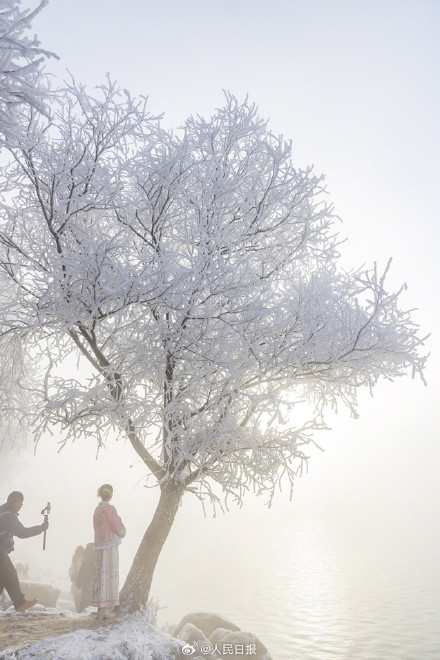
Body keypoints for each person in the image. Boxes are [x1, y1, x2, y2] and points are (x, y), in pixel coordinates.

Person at [0, 491, 48, 612]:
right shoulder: (9, 515)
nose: (22, 504)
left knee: (3, 579)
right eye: (21, 501)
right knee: (10, 573)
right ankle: (20, 603)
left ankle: (19, 603)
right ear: (15, 501)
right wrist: (41, 528)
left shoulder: (3, 510)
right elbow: (22, 532)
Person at [92, 484, 125, 620]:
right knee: (110, 572)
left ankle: (101, 607)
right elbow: (117, 526)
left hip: (99, 544)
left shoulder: (97, 510)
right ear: (110, 495)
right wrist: (122, 532)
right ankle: (106, 608)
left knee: (101, 574)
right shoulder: (109, 509)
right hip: (109, 545)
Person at [76, 542, 95, 612]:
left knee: (84, 599)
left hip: (86, 583)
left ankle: (82, 612)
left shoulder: (86, 559)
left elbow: (81, 572)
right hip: (91, 582)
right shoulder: (94, 559)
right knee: (88, 599)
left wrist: (78, 583)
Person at [69, 545, 85, 612]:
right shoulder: (75, 560)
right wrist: (72, 575)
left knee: (80, 597)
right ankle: (78, 611)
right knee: (76, 598)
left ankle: (80, 611)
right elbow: (71, 569)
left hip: (81, 582)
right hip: (76, 582)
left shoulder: (84, 560)